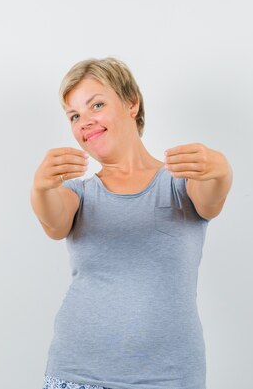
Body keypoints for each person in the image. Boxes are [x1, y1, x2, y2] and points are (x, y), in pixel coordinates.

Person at [30, 57, 233, 389]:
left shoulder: (180, 183)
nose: (85, 120)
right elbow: (53, 222)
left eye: (97, 104)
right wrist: (41, 187)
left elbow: (211, 198)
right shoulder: (78, 193)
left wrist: (221, 169)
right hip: (77, 375)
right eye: (74, 115)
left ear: (131, 104)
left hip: (167, 379)